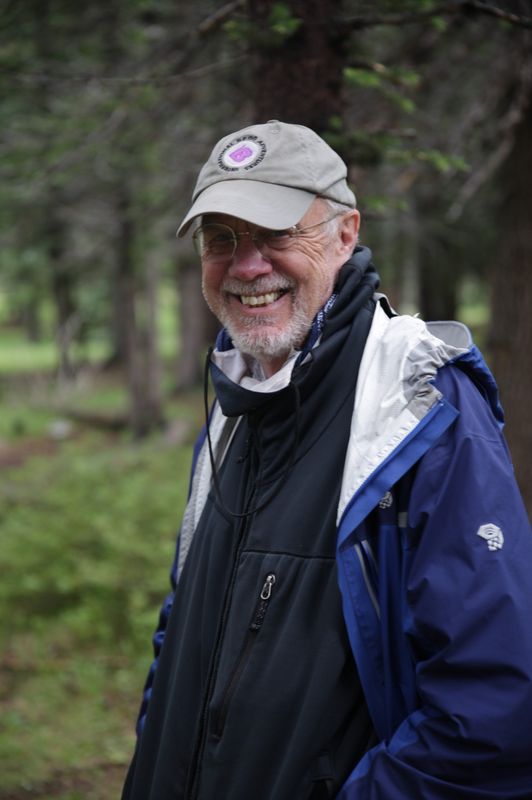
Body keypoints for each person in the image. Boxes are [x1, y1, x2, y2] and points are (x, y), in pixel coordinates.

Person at [122, 121, 532, 800]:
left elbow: (495, 712)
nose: (247, 265)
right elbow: (185, 629)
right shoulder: (235, 401)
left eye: (277, 235)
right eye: (220, 240)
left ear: (345, 234)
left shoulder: (417, 408)